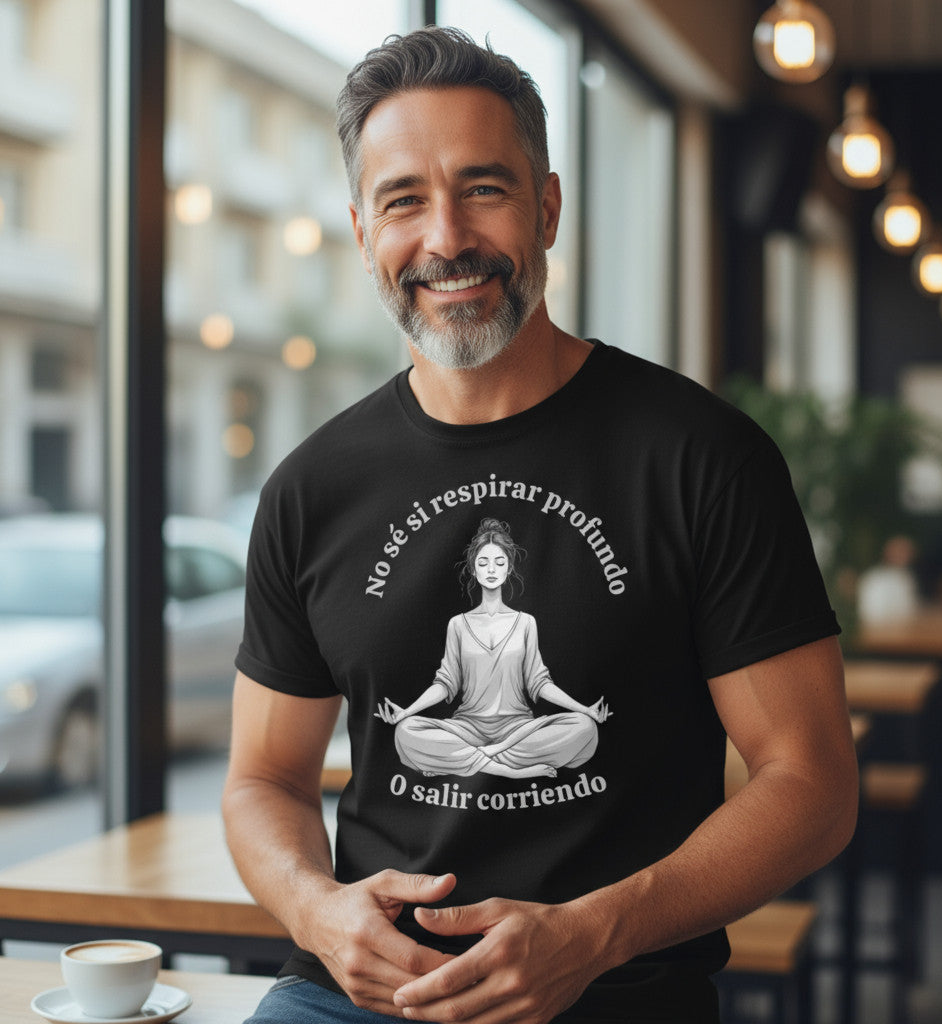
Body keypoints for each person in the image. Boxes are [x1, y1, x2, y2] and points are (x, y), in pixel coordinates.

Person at [223, 25, 859, 1024]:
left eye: (483, 187)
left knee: (555, 732)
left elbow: (812, 781)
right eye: (403, 201)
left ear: (547, 206)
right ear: (361, 231)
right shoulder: (311, 488)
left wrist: (593, 931)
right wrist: (317, 913)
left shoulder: (702, 458)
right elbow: (263, 778)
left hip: (610, 989)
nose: (444, 238)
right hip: (364, 995)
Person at [376, 517, 610, 779]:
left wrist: (584, 709)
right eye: (483, 563)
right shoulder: (458, 625)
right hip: (467, 728)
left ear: (509, 568)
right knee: (406, 731)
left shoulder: (524, 622)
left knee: (584, 728)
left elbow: (539, 682)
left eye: (499, 563)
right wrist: (406, 712)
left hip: (518, 728)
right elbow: (446, 683)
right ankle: (506, 769)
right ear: (473, 570)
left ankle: (467, 758)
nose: (491, 569)